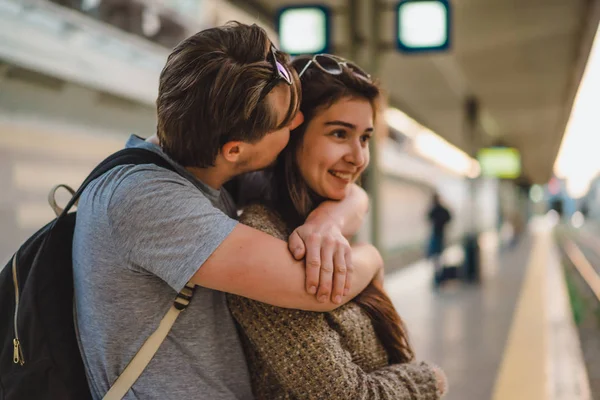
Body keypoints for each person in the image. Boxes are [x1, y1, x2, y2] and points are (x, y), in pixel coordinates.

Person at [72, 23, 384, 399]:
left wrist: (325, 222)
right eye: (287, 122)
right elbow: (315, 288)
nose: (298, 122)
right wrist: (373, 257)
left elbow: (353, 195)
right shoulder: (144, 200)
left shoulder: (206, 169)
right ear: (235, 150)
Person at [227, 55, 448, 399]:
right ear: (291, 134)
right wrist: (431, 379)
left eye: (364, 139)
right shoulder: (264, 239)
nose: (358, 157)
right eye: (339, 133)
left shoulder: (322, 222)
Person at [427, 193, 452, 284]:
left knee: (436, 256)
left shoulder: (435, 209)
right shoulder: (442, 209)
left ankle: (438, 276)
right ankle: (439, 275)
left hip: (437, 235)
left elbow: (428, 217)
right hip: (440, 234)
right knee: (439, 256)